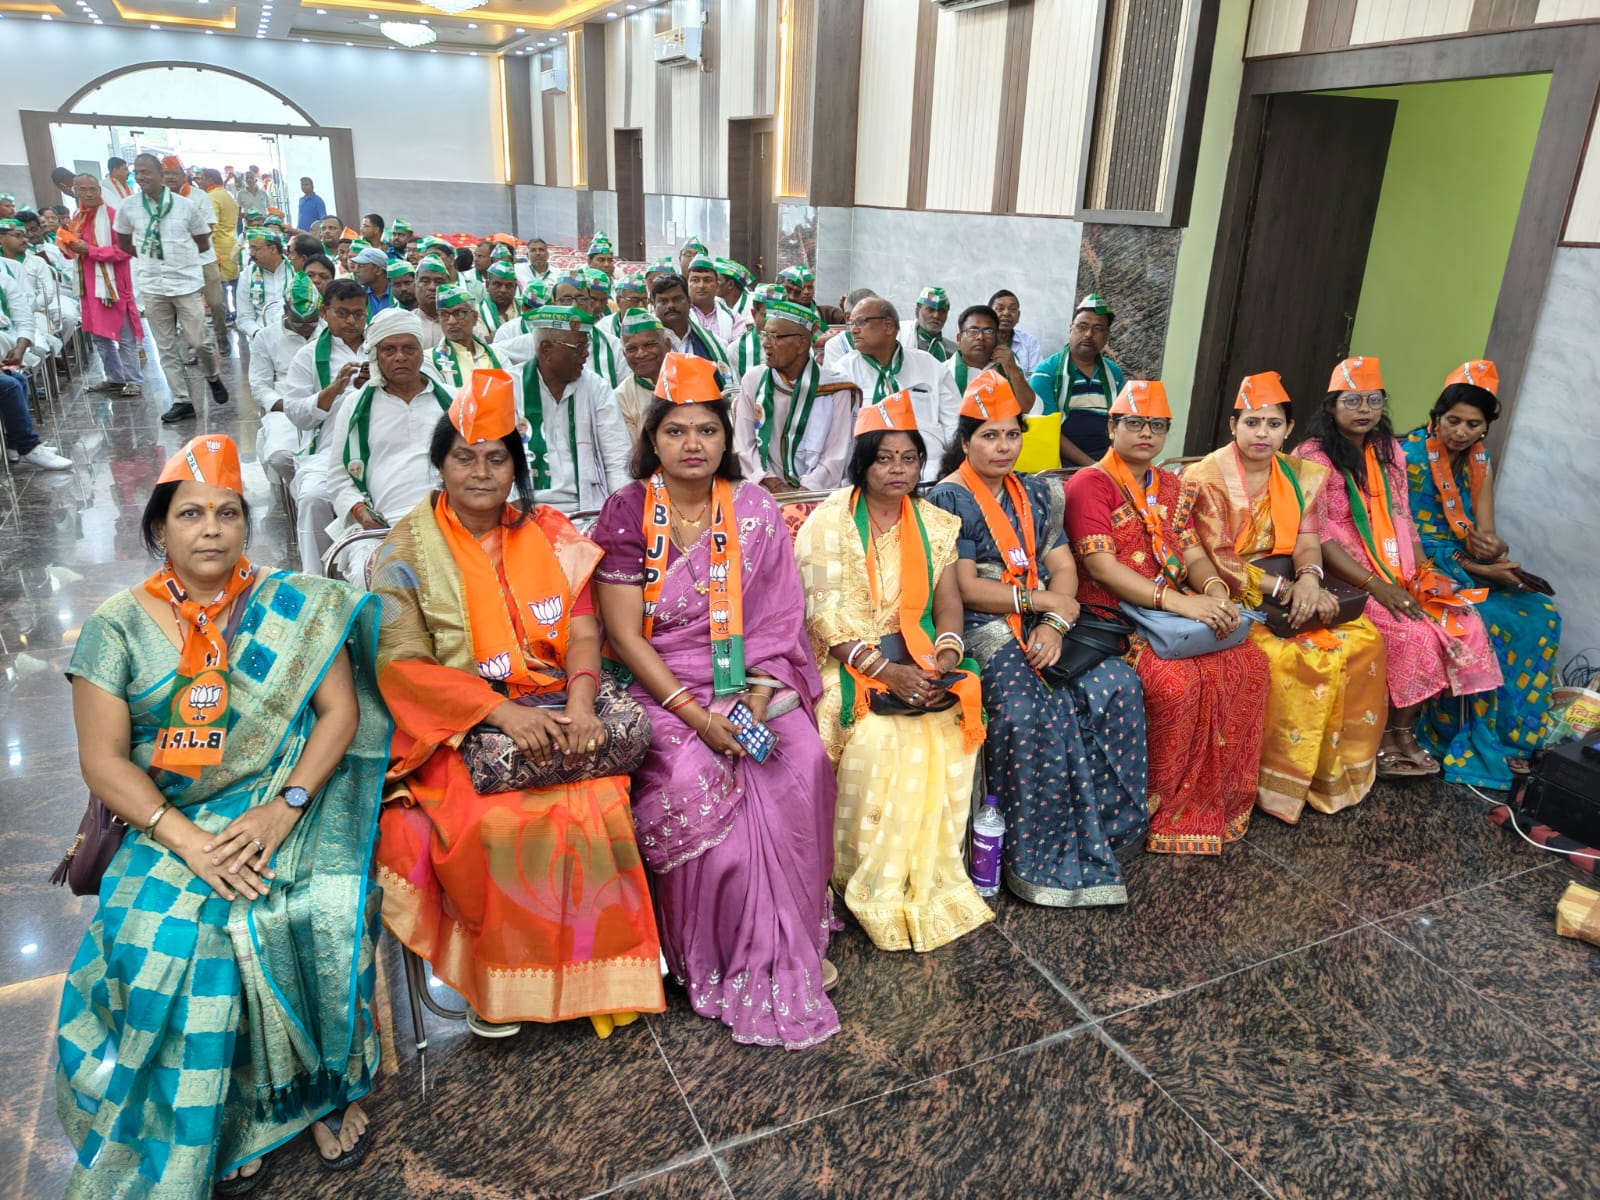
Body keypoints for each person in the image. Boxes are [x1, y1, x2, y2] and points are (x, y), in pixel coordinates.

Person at [59, 434, 387, 1196]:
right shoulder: (116, 626)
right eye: (191, 514)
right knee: (169, 936)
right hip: (167, 818)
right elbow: (103, 762)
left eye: (227, 513)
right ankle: (218, 1116)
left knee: (315, 902)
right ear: (159, 528)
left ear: (245, 523)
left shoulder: (294, 604)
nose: (211, 528)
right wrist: (191, 844)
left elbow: (339, 715)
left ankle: (316, 1094)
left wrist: (284, 809)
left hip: (284, 797)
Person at [369, 371, 664, 1039]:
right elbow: (400, 665)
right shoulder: (405, 550)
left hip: (562, 700)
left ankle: (600, 980)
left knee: (599, 800)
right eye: (464, 457)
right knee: (494, 823)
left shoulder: (551, 533)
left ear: (516, 469)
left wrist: (582, 704)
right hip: (460, 723)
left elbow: (584, 629)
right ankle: (501, 989)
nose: (480, 473)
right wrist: (500, 714)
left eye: (496, 459)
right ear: (440, 464)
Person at [594, 353, 841, 1050]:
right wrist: (698, 717)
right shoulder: (628, 511)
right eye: (676, 431)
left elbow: (779, 618)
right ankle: (717, 954)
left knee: (800, 761)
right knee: (693, 772)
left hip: (751, 679)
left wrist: (757, 697)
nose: (693, 444)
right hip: (661, 684)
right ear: (652, 438)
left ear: (727, 438)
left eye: (707, 429)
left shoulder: (756, 508)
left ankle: (793, 935)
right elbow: (623, 636)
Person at [927, 372, 1150, 899]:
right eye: (989, 436)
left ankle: (1108, 831)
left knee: (1118, 685)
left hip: (1046, 619)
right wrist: (1044, 603)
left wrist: (1054, 622)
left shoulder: (1038, 491)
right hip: (982, 626)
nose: (1003, 447)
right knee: (1028, 712)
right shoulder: (948, 499)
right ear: (966, 441)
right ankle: (1037, 855)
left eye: (1012, 435)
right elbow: (966, 589)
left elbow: (1063, 566)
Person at [795, 391, 993, 946]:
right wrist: (888, 673)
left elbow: (949, 604)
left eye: (908, 458)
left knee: (950, 718)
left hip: (919, 655)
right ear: (863, 463)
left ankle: (923, 873)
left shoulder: (935, 522)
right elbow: (824, 616)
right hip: (846, 660)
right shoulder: (828, 521)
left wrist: (945, 659)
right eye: (884, 458)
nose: (898, 469)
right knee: (878, 735)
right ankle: (861, 875)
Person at [1066, 379, 1270, 855]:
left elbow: (1193, 553)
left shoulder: (1172, 486)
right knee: (1177, 684)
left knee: (1251, 665)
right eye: (1136, 423)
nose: (1147, 434)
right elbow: (1102, 568)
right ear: (1112, 427)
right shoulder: (1090, 484)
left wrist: (1214, 590)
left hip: (1175, 611)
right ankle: (1158, 809)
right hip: (1115, 616)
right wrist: (1182, 603)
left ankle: (1220, 805)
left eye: (1158, 426)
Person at [1187, 372, 1387, 823]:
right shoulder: (1205, 477)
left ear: (1289, 429)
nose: (1262, 434)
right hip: (1234, 589)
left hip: (1292, 583)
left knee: (1365, 642)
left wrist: (1311, 581)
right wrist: (1286, 589)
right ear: (1233, 425)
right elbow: (1215, 556)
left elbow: (1308, 539)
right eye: (1252, 422)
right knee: (1304, 657)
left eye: (1273, 424)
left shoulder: (1301, 475)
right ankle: (1276, 783)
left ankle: (1331, 777)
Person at [1294, 356, 1502, 778]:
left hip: (1396, 564)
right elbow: (1319, 535)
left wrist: (1424, 573)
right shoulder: (1311, 455)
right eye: (1352, 400)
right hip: (1345, 573)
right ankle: (1382, 736)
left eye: (1374, 400)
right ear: (1331, 405)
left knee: (1460, 617)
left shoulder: (1387, 449)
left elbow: (1403, 516)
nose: (1364, 409)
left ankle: (1404, 731)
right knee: (1414, 632)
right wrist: (1377, 586)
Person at [1399, 360, 1557, 786]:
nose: (1461, 432)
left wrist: (1496, 551)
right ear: (1437, 415)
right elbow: (1401, 533)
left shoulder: (1478, 460)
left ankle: (1513, 739)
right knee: (1485, 620)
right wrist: (1474, 564)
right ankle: (1457, 735)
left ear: (1486, 427)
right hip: (1419, 566)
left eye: (1474, 424)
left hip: (1465, 565)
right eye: (1453, 420)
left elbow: (1484, 534)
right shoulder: (1406, 456)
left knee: (1541, 613)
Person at [317, 307, 454, 582]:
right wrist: (361, 513)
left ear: (421, 352)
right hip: (381, 528)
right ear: (376, 357)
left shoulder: (453, 399)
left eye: (408, 348)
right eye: (389, 350)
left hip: (451, 519)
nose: (400, 357)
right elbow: (339, 478)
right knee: (376, 577)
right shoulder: (355, 407)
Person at [113, 153, 229, 424]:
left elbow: (203, 241)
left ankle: (212, 376)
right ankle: (181, 400)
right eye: (138, 172)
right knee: (165, 346)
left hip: (185, 283)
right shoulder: (129, 207)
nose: (142, 176)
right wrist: (150, 258)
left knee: (199, 341)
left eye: (147, 171)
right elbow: (124, 243)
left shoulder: (184, 206)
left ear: (161, 175)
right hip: (153, 284)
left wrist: (179, 258)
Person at [282, 278, 368, 572]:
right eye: (342, 313)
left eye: (358, 313)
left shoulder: (381, 347)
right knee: (312, 498)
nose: (351, 321)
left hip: (381, 447)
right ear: (324, 312)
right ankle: (317, 579)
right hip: (330, 452)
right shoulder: (308, 356)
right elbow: (295, 413)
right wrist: (333, 390)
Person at [511, 305, 633, 512]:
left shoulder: (596, 387)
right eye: (578, 347)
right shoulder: (510, 387)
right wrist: (510, 507)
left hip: (589, 511)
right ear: (546, 349)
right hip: (525, 511)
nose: (586, 354)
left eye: (587, 345)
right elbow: (494, 458)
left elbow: (617, 457)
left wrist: (622, 510)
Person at [733, 298, 860, 492]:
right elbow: (744, 444)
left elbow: (836, 455)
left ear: (801, 344)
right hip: (763, 489)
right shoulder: (753, 380)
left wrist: (803, 494)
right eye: (765, 335)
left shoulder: (837, 388)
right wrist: (773, 484)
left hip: (817, 495)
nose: (766, 344)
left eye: (775, 337)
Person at [836, 295, 961, 482]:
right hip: (867, 473)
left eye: (861, 322)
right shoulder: (843, 371)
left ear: (888, 326)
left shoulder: (929, 366)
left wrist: (952, 472)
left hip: (929, 474)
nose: (853, 330)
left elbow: (955, 425)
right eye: (851, 324)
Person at [62, 175, 145, 397]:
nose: (89, 194)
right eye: (83, 189)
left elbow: (126, 250)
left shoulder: (112, 216)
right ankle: (115, 378)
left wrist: (90, 250)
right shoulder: (78, 218)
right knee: (100, 337)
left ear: (99, 190)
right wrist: (67, 244)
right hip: (89, 289)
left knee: (125, 336)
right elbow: (74, 253)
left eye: (93, 189)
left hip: (113, 287)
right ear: (75, 192)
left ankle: (134, 380)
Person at [1029, 293, 1124, 466]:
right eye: (1082, 326)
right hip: (1059, 463)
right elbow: (1048, 431)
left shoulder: (1114, 374)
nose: (1088, 334)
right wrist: (1092, 467)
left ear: (1107, 336)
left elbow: (1121, 424)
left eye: (1098, 329)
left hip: (1106, 460)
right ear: (1070, 330)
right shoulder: (1046, 372)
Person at [0, 258, 73, 469]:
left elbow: (24, 319)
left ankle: (14, 444)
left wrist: (20, 348)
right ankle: (29, 447)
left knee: (19, 379)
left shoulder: (5, 279)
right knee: (9, 386)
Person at [253, 273, 322, 488]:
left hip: (325, 403)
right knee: (281, 456)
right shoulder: (266, 337)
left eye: (312, 321)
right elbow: (259, 386)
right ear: (285, 311)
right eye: (298, 322)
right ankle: (298, 494)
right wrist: (291, 405)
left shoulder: (328, 332)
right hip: (284, 408)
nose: (306, 328)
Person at [162, 158, 231, 358]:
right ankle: (194, 345)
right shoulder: (158, 200)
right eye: (166, 173)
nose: (170, 177)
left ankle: (222, 336)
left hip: (204, 259)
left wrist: (180, 241)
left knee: (216, 302)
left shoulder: (200, 196)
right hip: (176, 263)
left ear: (183, 175)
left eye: (174, 173)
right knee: (185, 308)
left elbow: (208, 226)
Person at [946, 304, 1034, 412]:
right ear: (959, 338)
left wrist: (1013, 371)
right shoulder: (944, 371)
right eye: (973, 331)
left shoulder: (1007, 366)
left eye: (988, 331)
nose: (980, 337)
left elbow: (1030, 409)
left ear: (996, 337)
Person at [425, 283, 510, 392]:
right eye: (444, 314)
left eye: (459, 313)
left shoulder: (498, 357)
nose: (451, 321)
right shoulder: (430, 360)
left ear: (474, 317)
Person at [648, 272, 730, 374]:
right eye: (663, 301)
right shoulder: (644, 347)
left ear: (689, 300)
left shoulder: (714, 344)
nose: (670, 305)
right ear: (653, 304)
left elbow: (729, 381)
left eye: (677, 299)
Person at [615, 307, 670, 439]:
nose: (641, 354)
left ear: (667, 345)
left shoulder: (691, 378)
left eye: (649, 345)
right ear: (624, 354)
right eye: (631, 349)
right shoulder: (621, 397)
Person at [235, 229, 291, 346]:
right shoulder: (247, 275)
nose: (251, 254)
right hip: (261, 337)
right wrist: (259, 335)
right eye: (250, 248)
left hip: (295, 334)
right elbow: (244, 318)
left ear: (273, 249)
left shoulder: (294, 270)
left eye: (255, 249)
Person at [687, 253, 750, 347]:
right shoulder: (680, 316)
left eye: (707, 280)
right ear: (687, 284)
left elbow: (738, 351)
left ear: (717, 285)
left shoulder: (734, 319)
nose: (701, 286)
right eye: (695, 280)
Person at [201, 169, 241, 318]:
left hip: (218, 246)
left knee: (220, 285)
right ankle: (237, 312)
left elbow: (213, 226)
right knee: (234, 282)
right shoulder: (227, 195)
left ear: (210, 179)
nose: (200, 182)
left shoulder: (211, 197)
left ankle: (225, 316)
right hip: (231, 243)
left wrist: (208, 248)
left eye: (202, 178)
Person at [989, 290, 1041, 374]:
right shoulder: (980, 340)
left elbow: (1035, 377)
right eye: (1000, 309)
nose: (1006, 313)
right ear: (989, 314)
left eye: (1012, 309)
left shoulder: (1029, 342)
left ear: (1018, 316)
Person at [899, 286, 954, 362]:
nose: (936, 315)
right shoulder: (897, 337)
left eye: (942, 311)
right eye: (931, 310)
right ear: (917, 311)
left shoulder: (954, 353)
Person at [477, 261, 519, 335]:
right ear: (487, 285)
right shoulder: (477, 312)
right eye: (497, 285)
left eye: (509, 286)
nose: (503, 290)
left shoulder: (525, 309)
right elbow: (482, 341)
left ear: (515, 288)